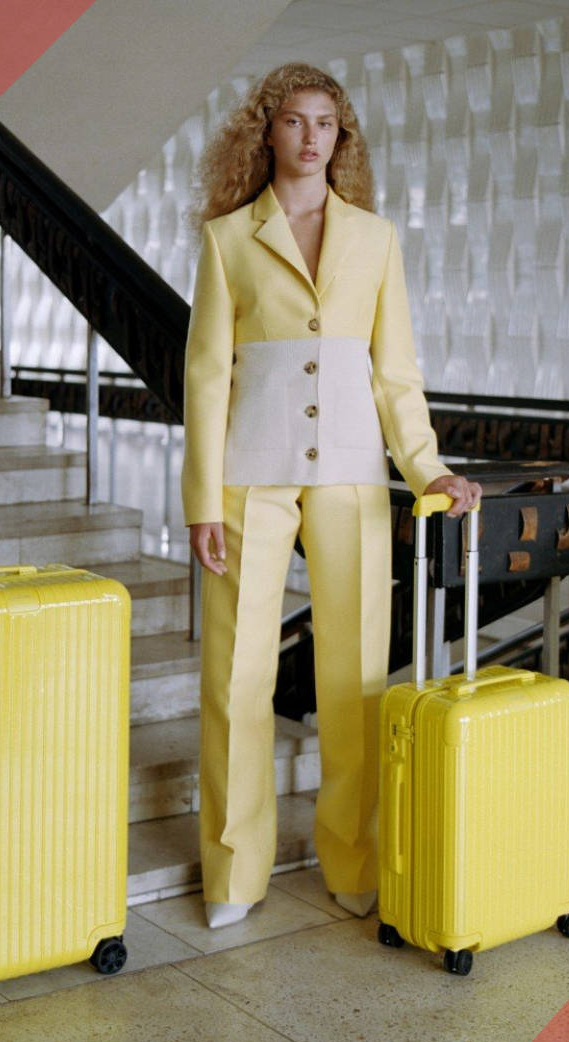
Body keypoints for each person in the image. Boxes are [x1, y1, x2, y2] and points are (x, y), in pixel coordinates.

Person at [181, 62, 481, 929]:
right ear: (265, 132)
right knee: (236, 677)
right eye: (294, 121)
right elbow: (204, 377)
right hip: (251, 472)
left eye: (327, 123)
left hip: (351, 469)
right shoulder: (228, 238)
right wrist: (204, 497)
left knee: (354, 676)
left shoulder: (375, 239)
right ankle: (233, 872)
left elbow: (395, 374)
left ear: (339, 139)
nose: (311, 137)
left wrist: (424, 468)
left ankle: (352, 858)